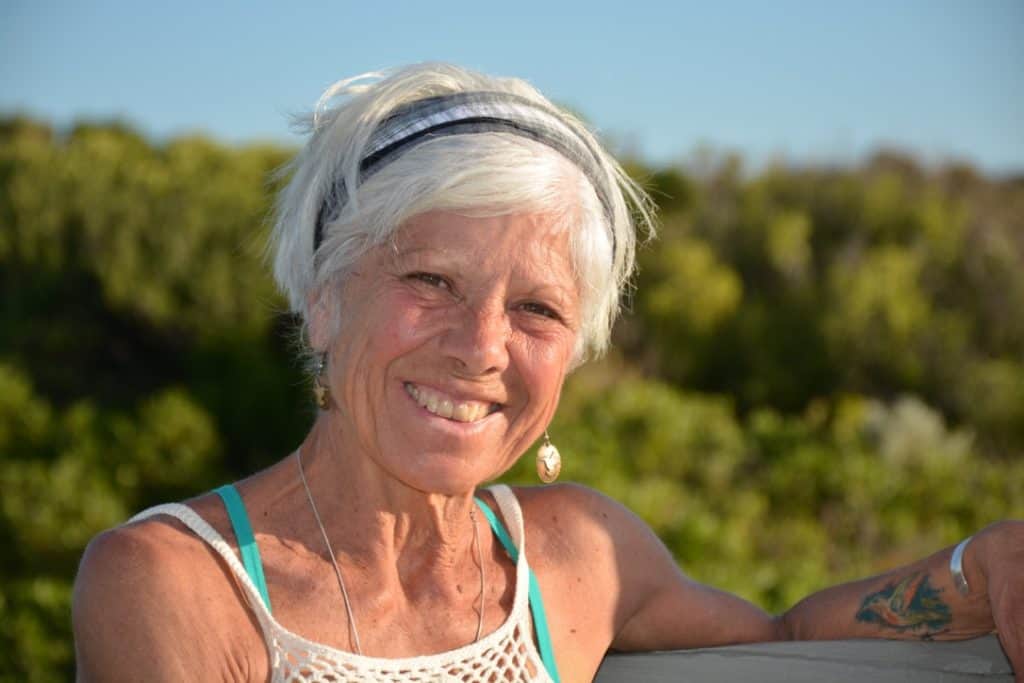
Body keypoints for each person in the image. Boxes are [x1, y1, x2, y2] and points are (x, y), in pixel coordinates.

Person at [72, 63, 1022, 683]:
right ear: (323, 300)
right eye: (431, 280)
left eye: (537, 309)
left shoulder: (578, 557)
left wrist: (975, 568)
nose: (481, 345)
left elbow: (788, 640)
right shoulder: (174, 583)